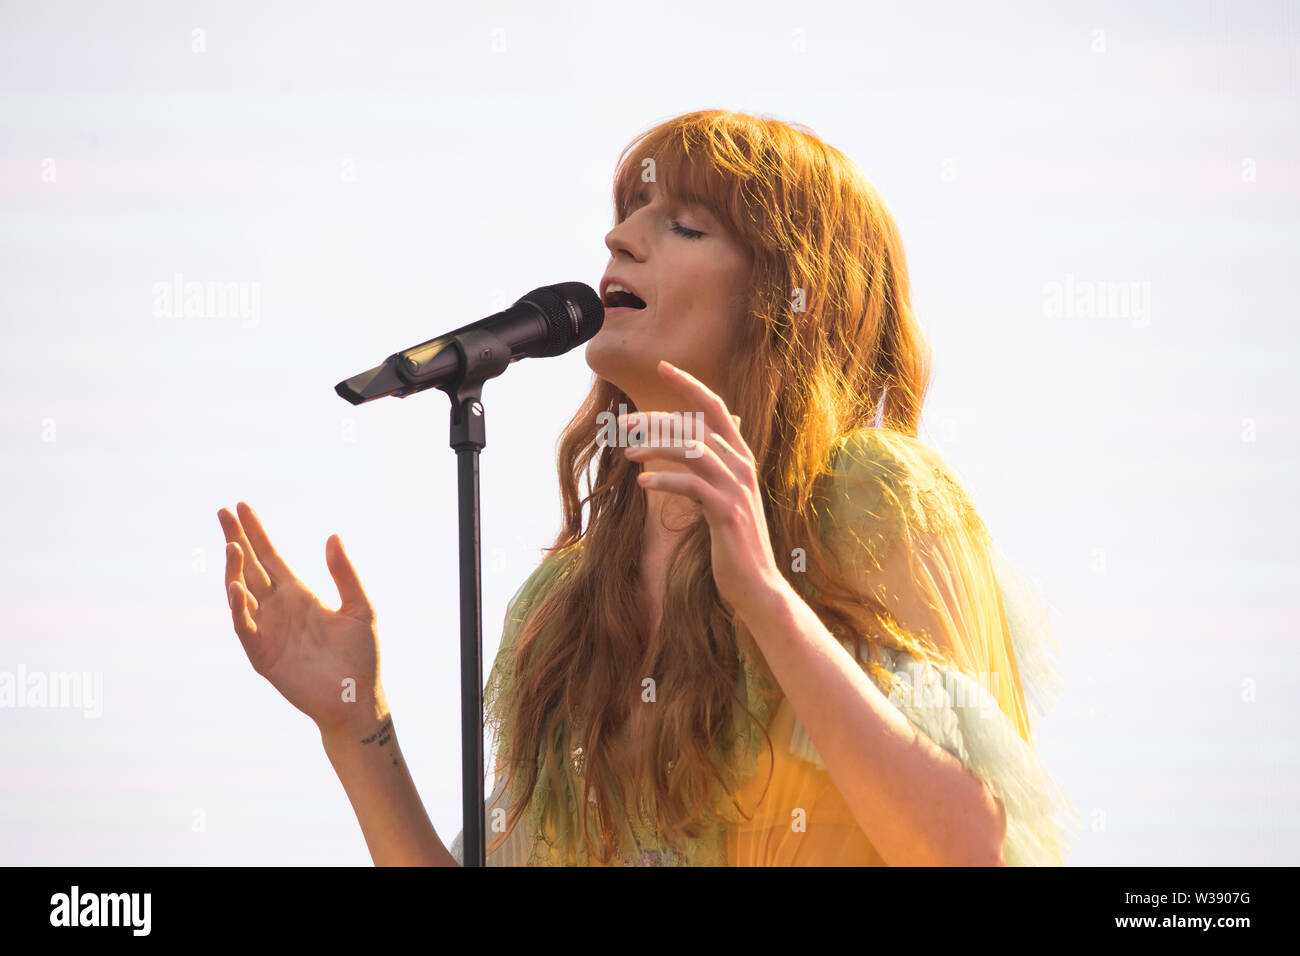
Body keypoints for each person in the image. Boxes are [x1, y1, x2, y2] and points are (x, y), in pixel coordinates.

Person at [217, 109, 1080, 867]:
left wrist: (768, 600)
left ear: (789, 295)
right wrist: (353, 723)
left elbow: (974, 851)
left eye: (684, 226)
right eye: (628, 214)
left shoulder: (869, 498)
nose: (619, 241)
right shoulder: (565, 605)